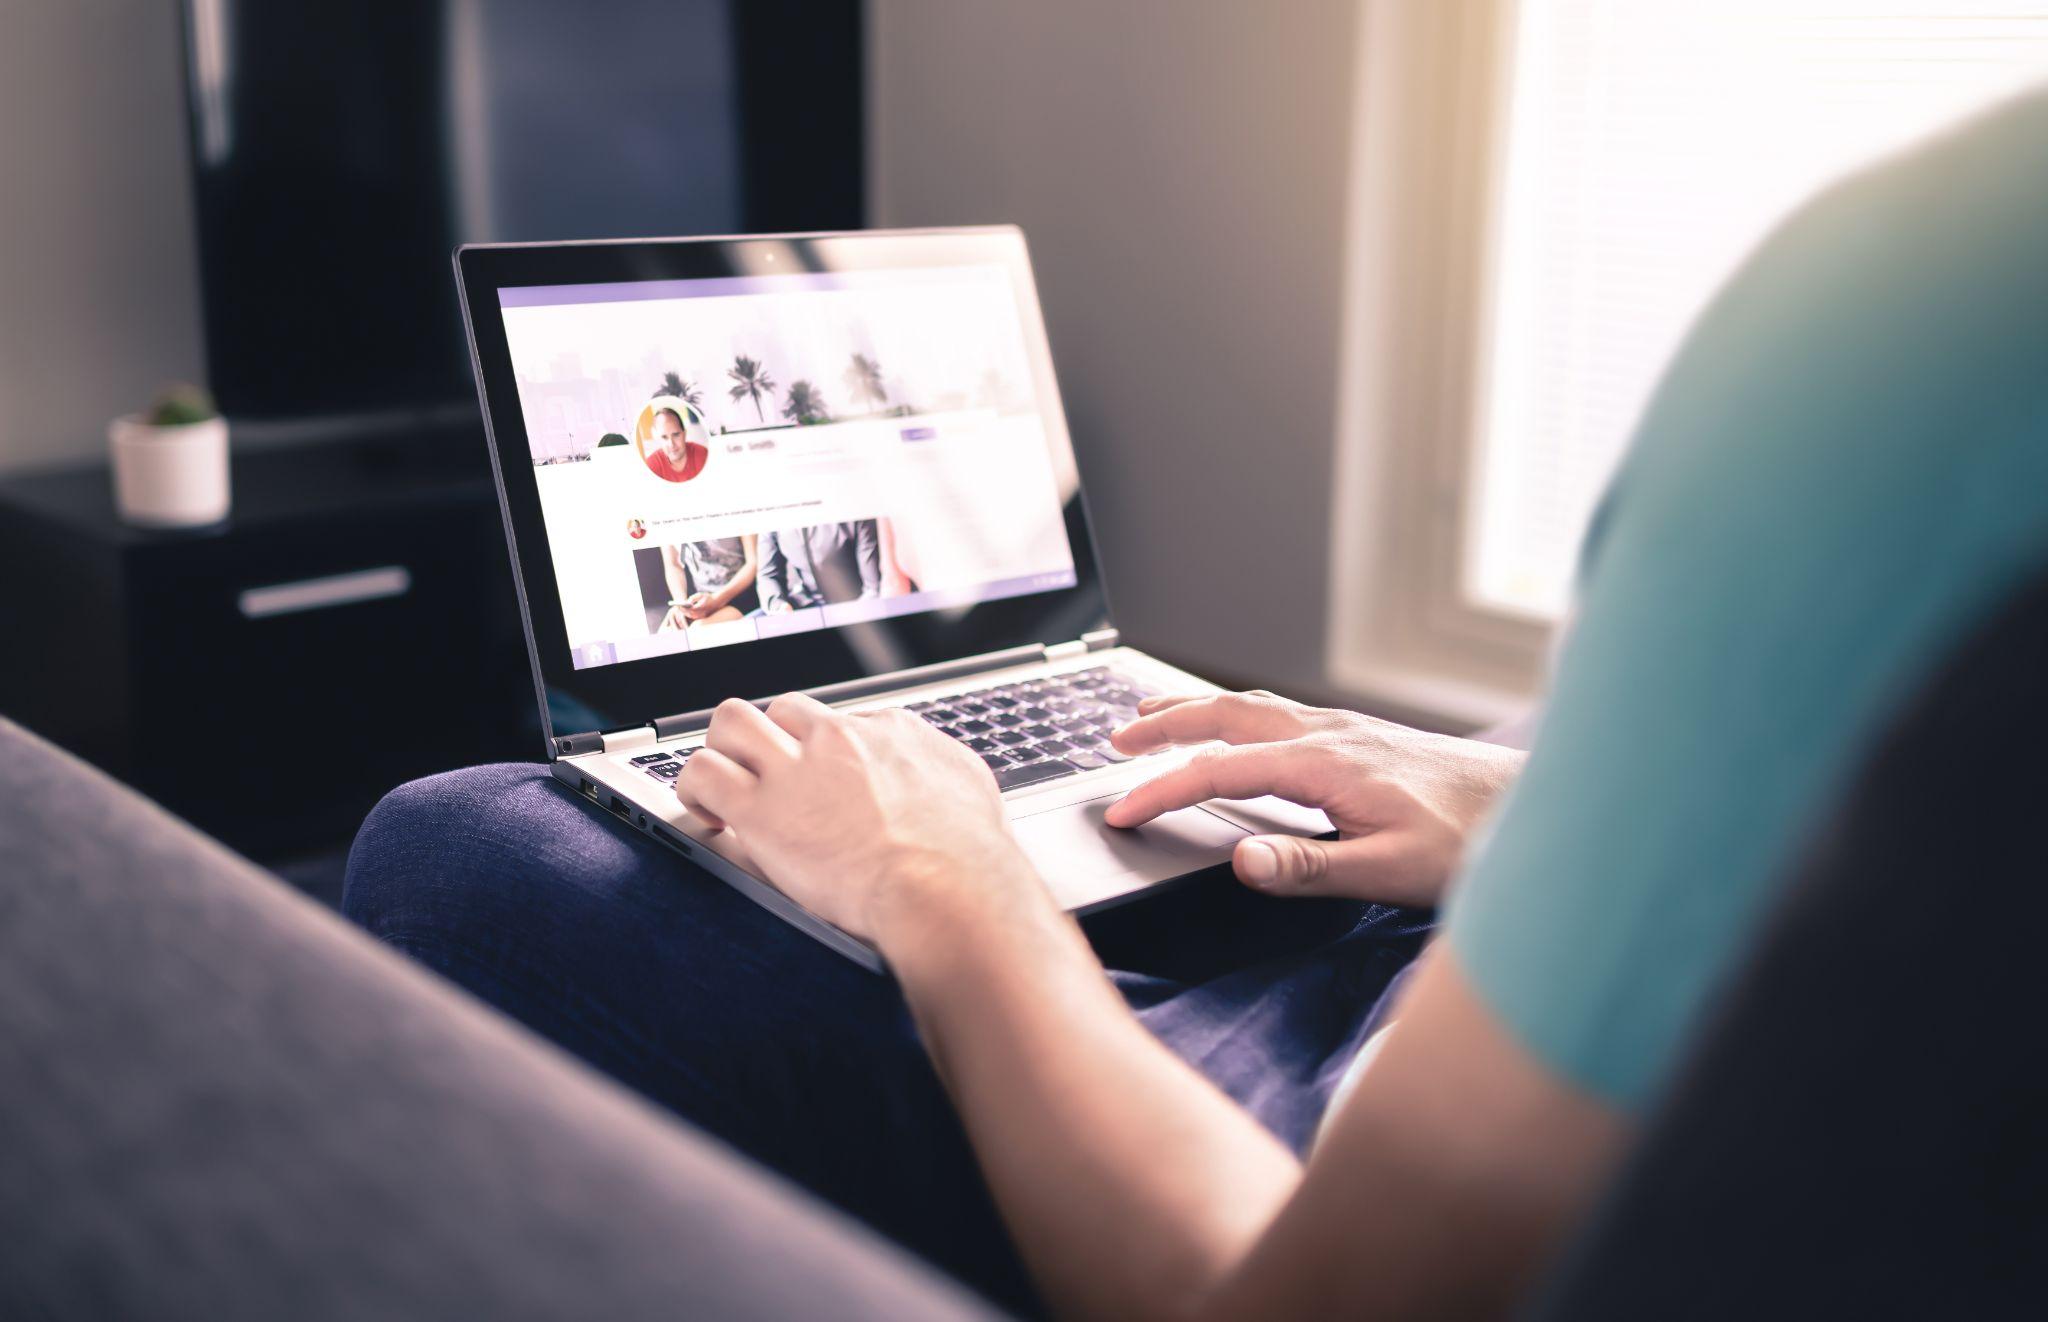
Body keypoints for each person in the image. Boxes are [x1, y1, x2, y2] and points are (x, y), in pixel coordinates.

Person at [346, 92, 2048, 1317]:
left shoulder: (1938, 309)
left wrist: (947, 876)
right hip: (1561, 1024)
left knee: (461, 843)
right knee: (1443, 740)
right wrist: (1513, 816)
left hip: (1328, 1176)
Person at [756, 521, 882, 611]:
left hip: (855, 605)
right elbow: (767, 575)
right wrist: (779, 606)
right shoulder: (772, 520)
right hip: (805, 604)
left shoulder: (855, 517)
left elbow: (873, 588)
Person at [659, 536, 760, 631]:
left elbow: (753, 563)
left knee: (698, 630)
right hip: (700, 599)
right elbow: (673, 565)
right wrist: (681, 603)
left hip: (741, 594)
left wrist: (716, 600)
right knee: (666, 632)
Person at [643, 405, 709, 483]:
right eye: (664, 437)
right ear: (658, 439)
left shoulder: (703, 454)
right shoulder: (651, 465)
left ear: (684, 434)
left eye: (676, 435)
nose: (671, 444)